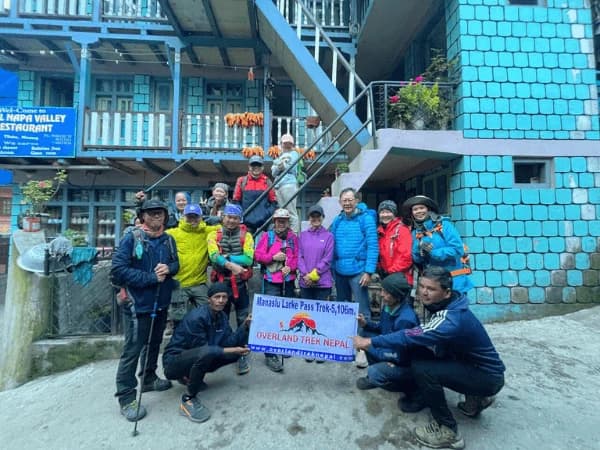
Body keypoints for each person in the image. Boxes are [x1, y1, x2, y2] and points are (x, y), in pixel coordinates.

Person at [353, 266, 505, 450]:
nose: (424, 293)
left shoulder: (451, 319)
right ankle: (477, 399)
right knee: (426, 357)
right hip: (474, 367)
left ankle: (449, 430)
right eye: (422, 286)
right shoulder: (445, 304)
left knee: (423, 369)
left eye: (431, 289)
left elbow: (408, 335)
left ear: (447, 292)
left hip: (486, 376)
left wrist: (369, 342)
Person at [110, 198, 180, 422]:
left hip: (160, 302)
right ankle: (126, 396)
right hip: (136, 305)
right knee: (132, 350)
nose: (156, 217)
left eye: (159, 213)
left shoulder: (168, 240)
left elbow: (176, 264)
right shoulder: (131, 238)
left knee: (154, 343)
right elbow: (118, 270)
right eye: (151, 213)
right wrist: (151, 277)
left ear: (165, 216)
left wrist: (168, 268)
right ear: (143, 216)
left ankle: (149, 378)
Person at [162, 282, 251, 423]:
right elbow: (204, 351)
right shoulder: (197, 317)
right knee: (211, 354)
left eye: (224, 297)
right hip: (173, 363)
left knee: (234, 355)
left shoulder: (221, 316)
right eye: (217, 297)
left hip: (197, 355)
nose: (221, 301)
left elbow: (228, 341)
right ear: (209, 299)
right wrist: (232, 348)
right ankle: (188, 399)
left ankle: (188, 376)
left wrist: (244, 326)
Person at [329, 187, 378, 368]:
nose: (347, 203)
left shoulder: (366, 219)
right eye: (344, 200)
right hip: (340, 271)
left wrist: (368, 271)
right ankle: (343, 344)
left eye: (350, 200)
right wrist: (331, 269)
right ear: (340, 202)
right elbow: (331, 245)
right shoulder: (337, 220)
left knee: (362, 311)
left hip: (359, 272)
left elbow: (373, 245)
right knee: (342, 308)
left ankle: (362, 349)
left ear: (356, 201)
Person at [207, 203, 254, 375]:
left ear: (239, 219)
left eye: (235, 218)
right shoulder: (213, 234)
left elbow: (249, 259)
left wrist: (227, 257)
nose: (232, 220)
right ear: (223, 217)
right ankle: (221, 351)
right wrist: (231, 265)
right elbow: (213, 255)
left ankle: (241, 352)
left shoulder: (246, 236)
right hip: (221, 283)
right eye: (229, 217)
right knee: (220, 318)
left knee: (243, 318)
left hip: (240, 285)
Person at [355, 273, 419, 391]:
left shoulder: (405, 320)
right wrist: (365, 323)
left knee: (374, 371)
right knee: (365, 334)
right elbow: (381, 327)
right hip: (391, 349)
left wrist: (368, 347)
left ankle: (404, 387)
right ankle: (382, 372)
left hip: (403, 362)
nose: (381, 294)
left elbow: (399, 355)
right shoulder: (389, 306)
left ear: (397, 296)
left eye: (386, 292)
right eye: (382, 290)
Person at [254, 208, 299, 373]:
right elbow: (258, 255)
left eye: (284, 220)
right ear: (274, 222)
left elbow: (297, 256)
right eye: (279, 220)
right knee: (270, 316)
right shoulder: (268, 236)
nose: (281, 223)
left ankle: (285, 344)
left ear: (288, 222)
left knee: (287, 316)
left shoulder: (293, 238)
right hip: (271, 281)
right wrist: (272, 257)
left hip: (288, 281)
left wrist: (290, 267)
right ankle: (270, 353)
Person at [165, 203, 220, 334]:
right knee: (178, 318)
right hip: (179, 282)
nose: (193, 220)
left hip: (198, 282)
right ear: (183, 217)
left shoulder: (208, 231)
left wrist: (215, 218)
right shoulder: (173, 233)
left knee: (209, 311)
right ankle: (177, 342)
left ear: (201, 217)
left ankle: (204, 340)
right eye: (189, 217)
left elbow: (227, 226)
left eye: (196, 217)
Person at [402, 195, 473, 294]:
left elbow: (457, 250)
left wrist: (432, 252)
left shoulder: (444, 226)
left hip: (453, 281)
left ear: (429, 209)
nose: (418, 212)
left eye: (421, 208)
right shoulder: (416, 233)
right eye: (415, 209)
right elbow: (417, 259)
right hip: (432, 285)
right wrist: (418, 249)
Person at [297, 204, 334, 363]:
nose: (315, 219)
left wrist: (313, 274)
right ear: (309, 218)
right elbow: (299, 257)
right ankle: (308, 347)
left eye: (318, 216)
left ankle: (321, 348)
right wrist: (305, 275)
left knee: (322, 317)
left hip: (322, 282)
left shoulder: (329, 236)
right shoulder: (303, 235)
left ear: (322, 217)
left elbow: (328, 259)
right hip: (306, 282)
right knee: (307, 316)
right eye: (312, 216)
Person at [232, 155, 278, 234]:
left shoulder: (267, 181)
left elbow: (273, 201)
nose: (256, 167)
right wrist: (243, 216)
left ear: (262, 167)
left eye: (259, 165)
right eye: (253, 165)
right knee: (244, 242)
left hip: (264, 221)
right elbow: (236, 200)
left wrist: (267, 214)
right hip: (247, 222)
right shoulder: (241, 180)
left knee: (273, 235)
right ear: (249, 167)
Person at [377, 200, 413, 286]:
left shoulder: (401, 230)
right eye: (382, 212)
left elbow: (406, 257)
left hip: (401, 278)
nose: (385, 215)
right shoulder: (379, 232)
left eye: (388, 212)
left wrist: (390, 271)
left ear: (394, 213)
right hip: (387, 278)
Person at [271, 133, 300, 232]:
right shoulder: (279, 156)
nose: (287, 146)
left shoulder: (294, 154)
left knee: (291, 211)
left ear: (292, 144)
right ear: (281, 144)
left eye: (289, 143)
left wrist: (282, 167)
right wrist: (279, 167)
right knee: (282, 212)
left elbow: (293, 169)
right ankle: (284, 234)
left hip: (289, 184)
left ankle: (294, 235)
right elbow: (274, 173)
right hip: (278, 185)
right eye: (285, 143)